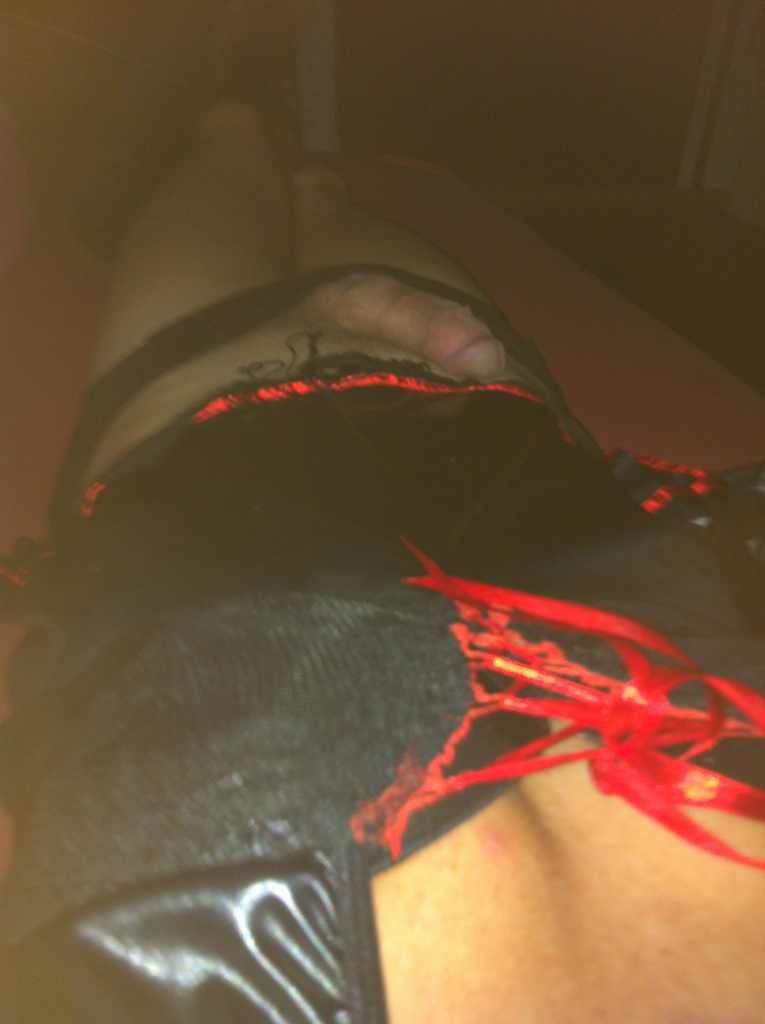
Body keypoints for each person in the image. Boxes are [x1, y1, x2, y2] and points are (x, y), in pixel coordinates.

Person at [0, 97, 764, 1024]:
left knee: (225, 149)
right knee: (332, 211)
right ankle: (305, 174)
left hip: (208, 413)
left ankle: (236, 117)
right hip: (486, 411)